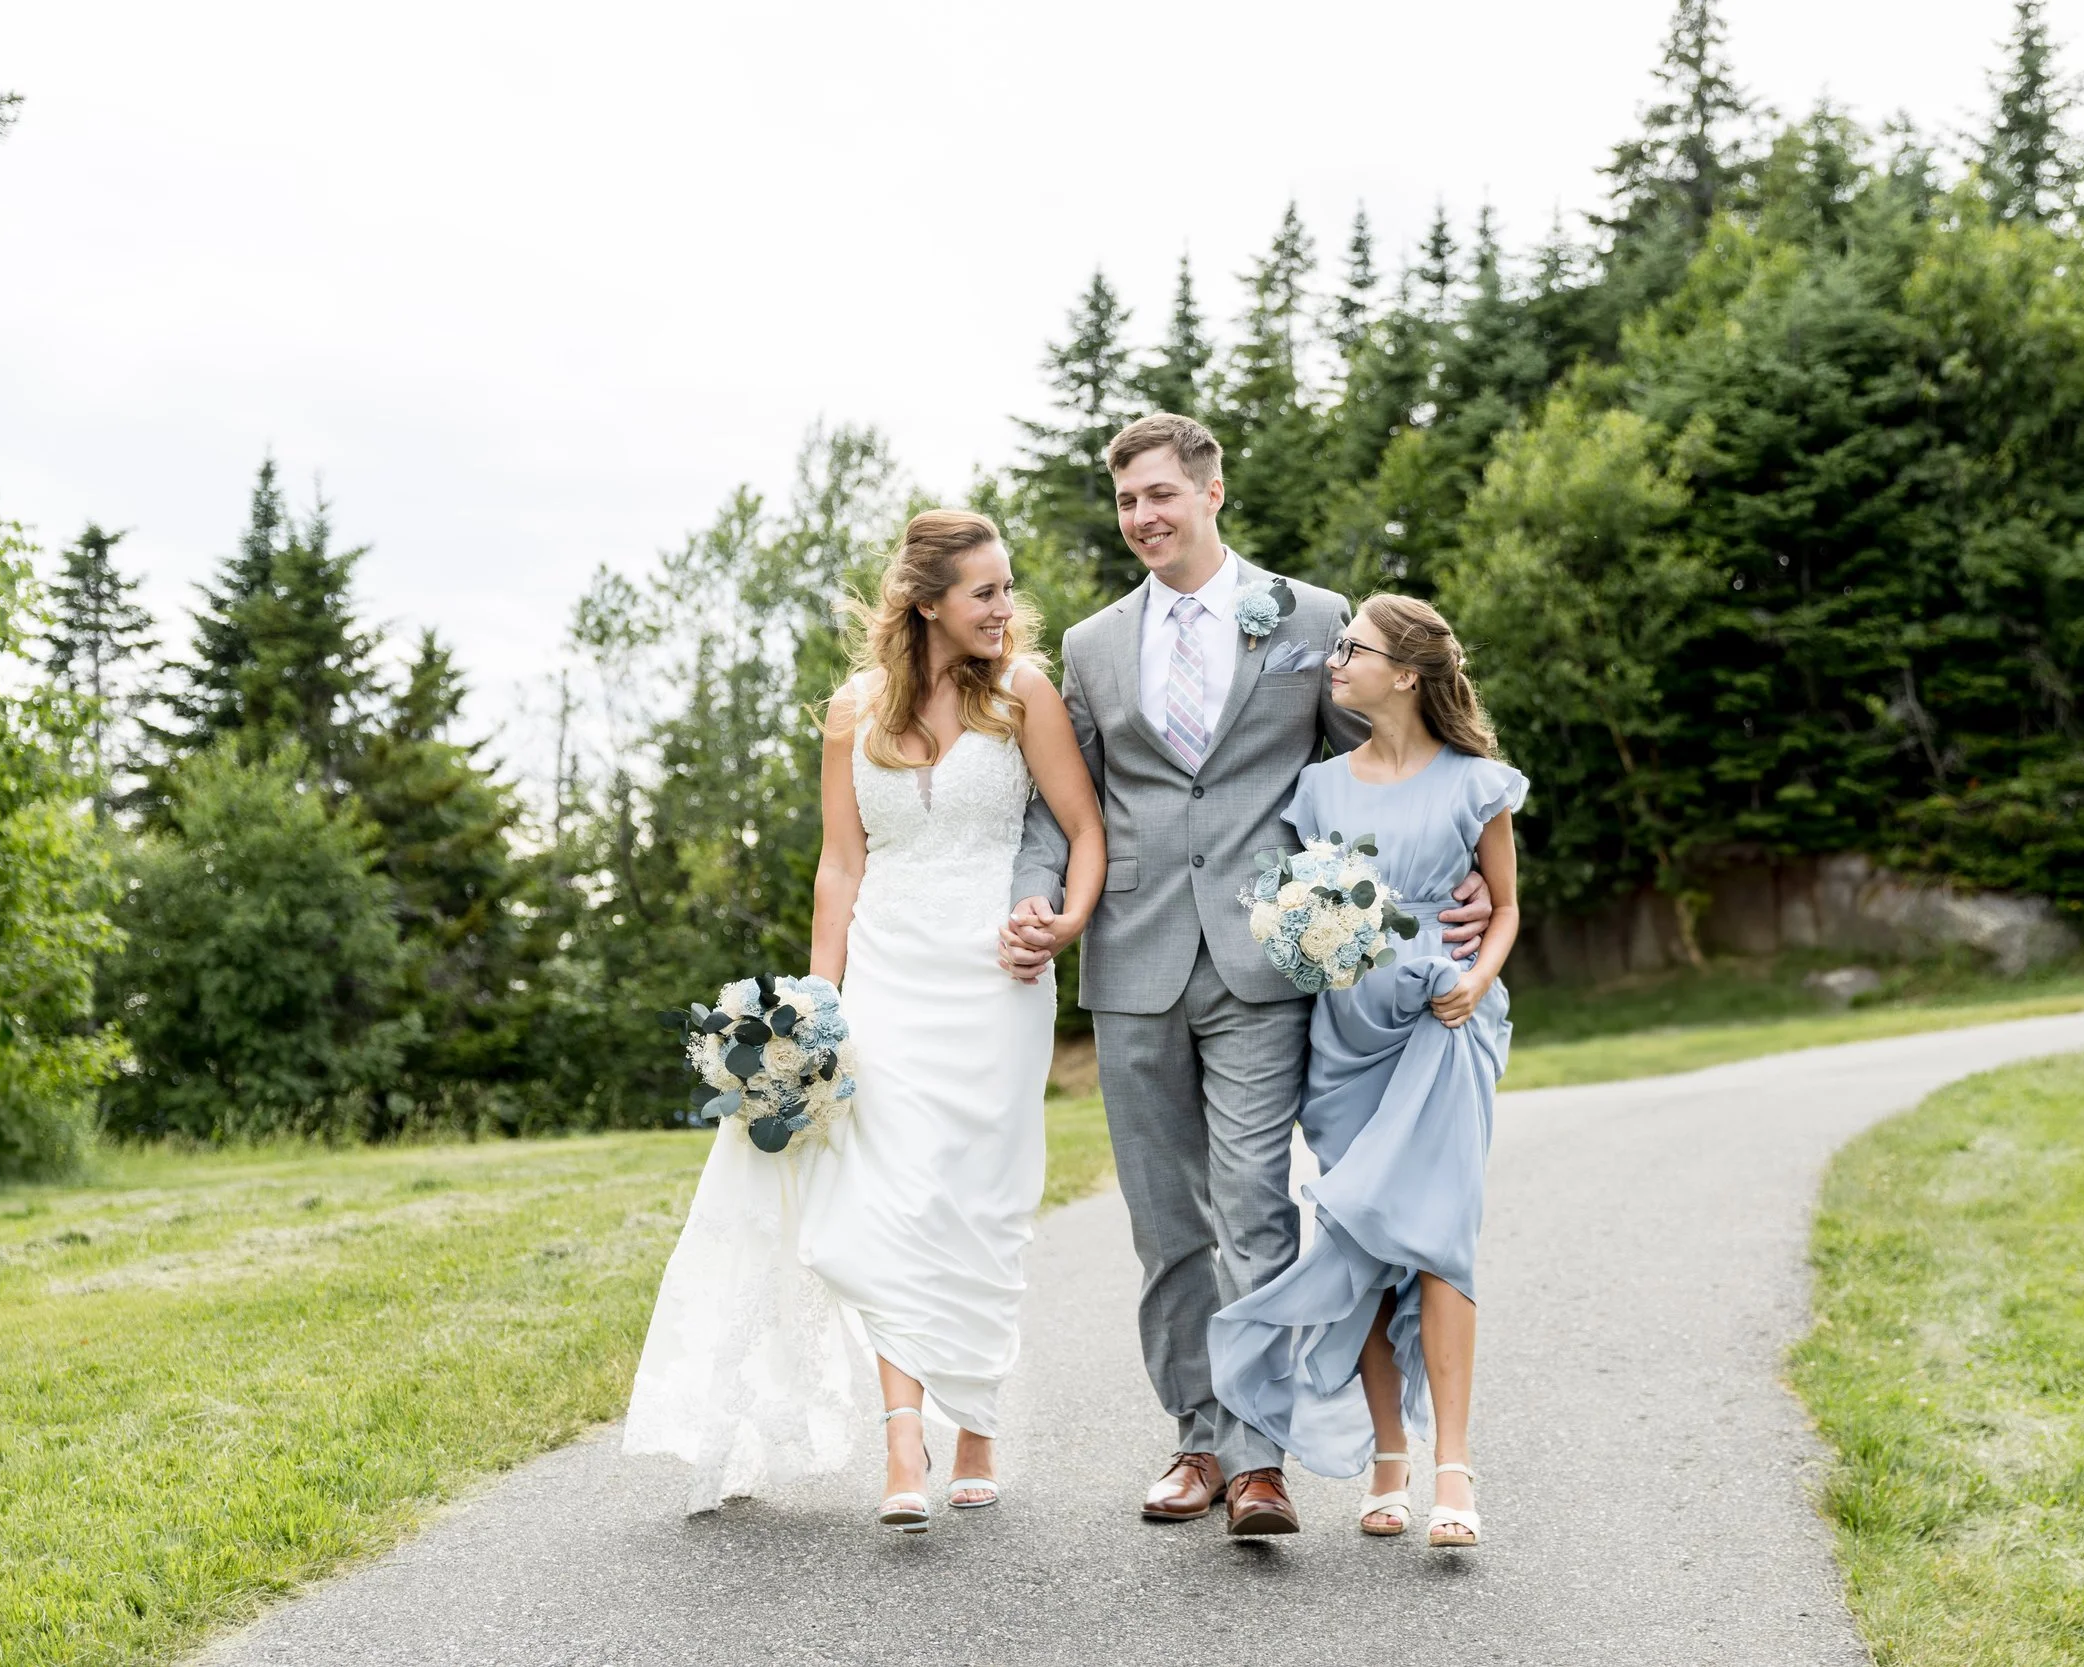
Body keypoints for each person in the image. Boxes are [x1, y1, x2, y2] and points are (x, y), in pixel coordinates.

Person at [1001, 415, 1491, 1536]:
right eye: (1127, 501)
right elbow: (1057, 803)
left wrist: (1462, 869)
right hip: (1129, 959)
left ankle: (1260, 1458)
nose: (1144, 518)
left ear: (1213, 492)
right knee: (1165, 1219)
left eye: (1163, 494)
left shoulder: (1314, 619)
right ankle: (1194, 1437)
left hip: (1266, 963)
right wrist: (1036, 902)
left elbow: (1392, 753)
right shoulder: (1089, 646)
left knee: (1257, 1207)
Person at [623, 509, 1106, 1532]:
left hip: (994, 979)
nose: (1005, 607)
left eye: (1006, 587)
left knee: (981, 1201)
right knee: (882, 1201)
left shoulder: (1025, 694)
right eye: (985, 590)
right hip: (886, 977)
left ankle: (974, 1422)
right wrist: (815, 1007)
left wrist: (1062, 923)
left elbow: (1082, 827)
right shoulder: (852, 711)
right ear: (927, 600)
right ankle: (902, 1435)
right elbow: (840, 864)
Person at [1208, 594, 1525, 1552]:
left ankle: (1454, 1466)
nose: (1336, 660)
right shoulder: (1318, 789)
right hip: (1345, 1038)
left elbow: (1506, 909)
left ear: (1408, 673)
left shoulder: (1478, 783)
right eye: (1339, 646)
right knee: (1366, 1244)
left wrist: (1476, 978)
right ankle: (1389, 1453)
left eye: (1355, 649)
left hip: (1443, 1028)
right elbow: (1302, 910)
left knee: (1439, 1241)